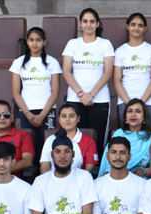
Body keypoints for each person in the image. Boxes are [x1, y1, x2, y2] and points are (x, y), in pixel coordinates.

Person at [62, 8, 115, 156]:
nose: (88, 25)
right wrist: (81, 94)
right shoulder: (72, 44)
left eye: (92, 21)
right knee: (76, 138)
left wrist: (91, 95)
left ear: (97, 24)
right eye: (85, 21)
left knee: (98, 139)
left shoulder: (105, 44)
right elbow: (66, 71)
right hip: (75, 98)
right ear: (80, 24)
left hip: (99, 99)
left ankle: (96, 170)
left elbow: (108, 72)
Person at [11, 27, 61, 156]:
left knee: (47, 145)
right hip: (27, 111)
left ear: (44, 42)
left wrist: (42, 115)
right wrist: (28, 114)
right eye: (31, 40)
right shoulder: (18, 62)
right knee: (29, 147)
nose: (34, 43)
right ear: (27, 42)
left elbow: (55, 93)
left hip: (47, 111)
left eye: (38, 40)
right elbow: (16, 92)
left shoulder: (52, 62)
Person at [113, 13, 151, 129]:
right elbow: (116, 81)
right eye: (133, 24)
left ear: (145, 28)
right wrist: (129, 103)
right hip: (125, 101)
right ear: (127, 26)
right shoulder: (120, 51)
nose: (136, 28)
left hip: (148, 102)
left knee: (148, 137)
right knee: (126, 139)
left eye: (140, 25)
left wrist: (141, 104)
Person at [98, 98, 151, 178]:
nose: (133, 114)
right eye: (130, 111)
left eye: (138, 111)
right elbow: (109, 164)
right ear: (125, 117)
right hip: (118, 179)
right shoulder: (119, 134)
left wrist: (143, 171)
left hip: (141, 180)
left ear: (145, 117)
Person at [39, 104, 99, 174]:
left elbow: (89, 169)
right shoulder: (50, 140)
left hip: (78, 182)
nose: (67, 119)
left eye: (71, 116)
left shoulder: (89, 141)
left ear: (78, 118)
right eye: (64, 116)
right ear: (59, 119)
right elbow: (44, 167)